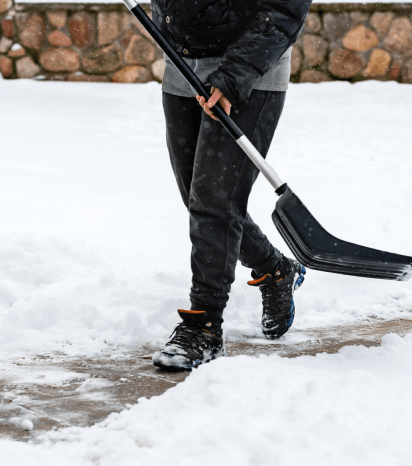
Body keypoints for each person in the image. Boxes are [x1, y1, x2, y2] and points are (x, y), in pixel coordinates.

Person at [151, 0, 313, 371]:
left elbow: (285, 8)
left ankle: (204, 327)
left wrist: (234, 74)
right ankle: (275, 269)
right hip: (183, 61)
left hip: (248, 68)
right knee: (198, 197)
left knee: (214, 201)